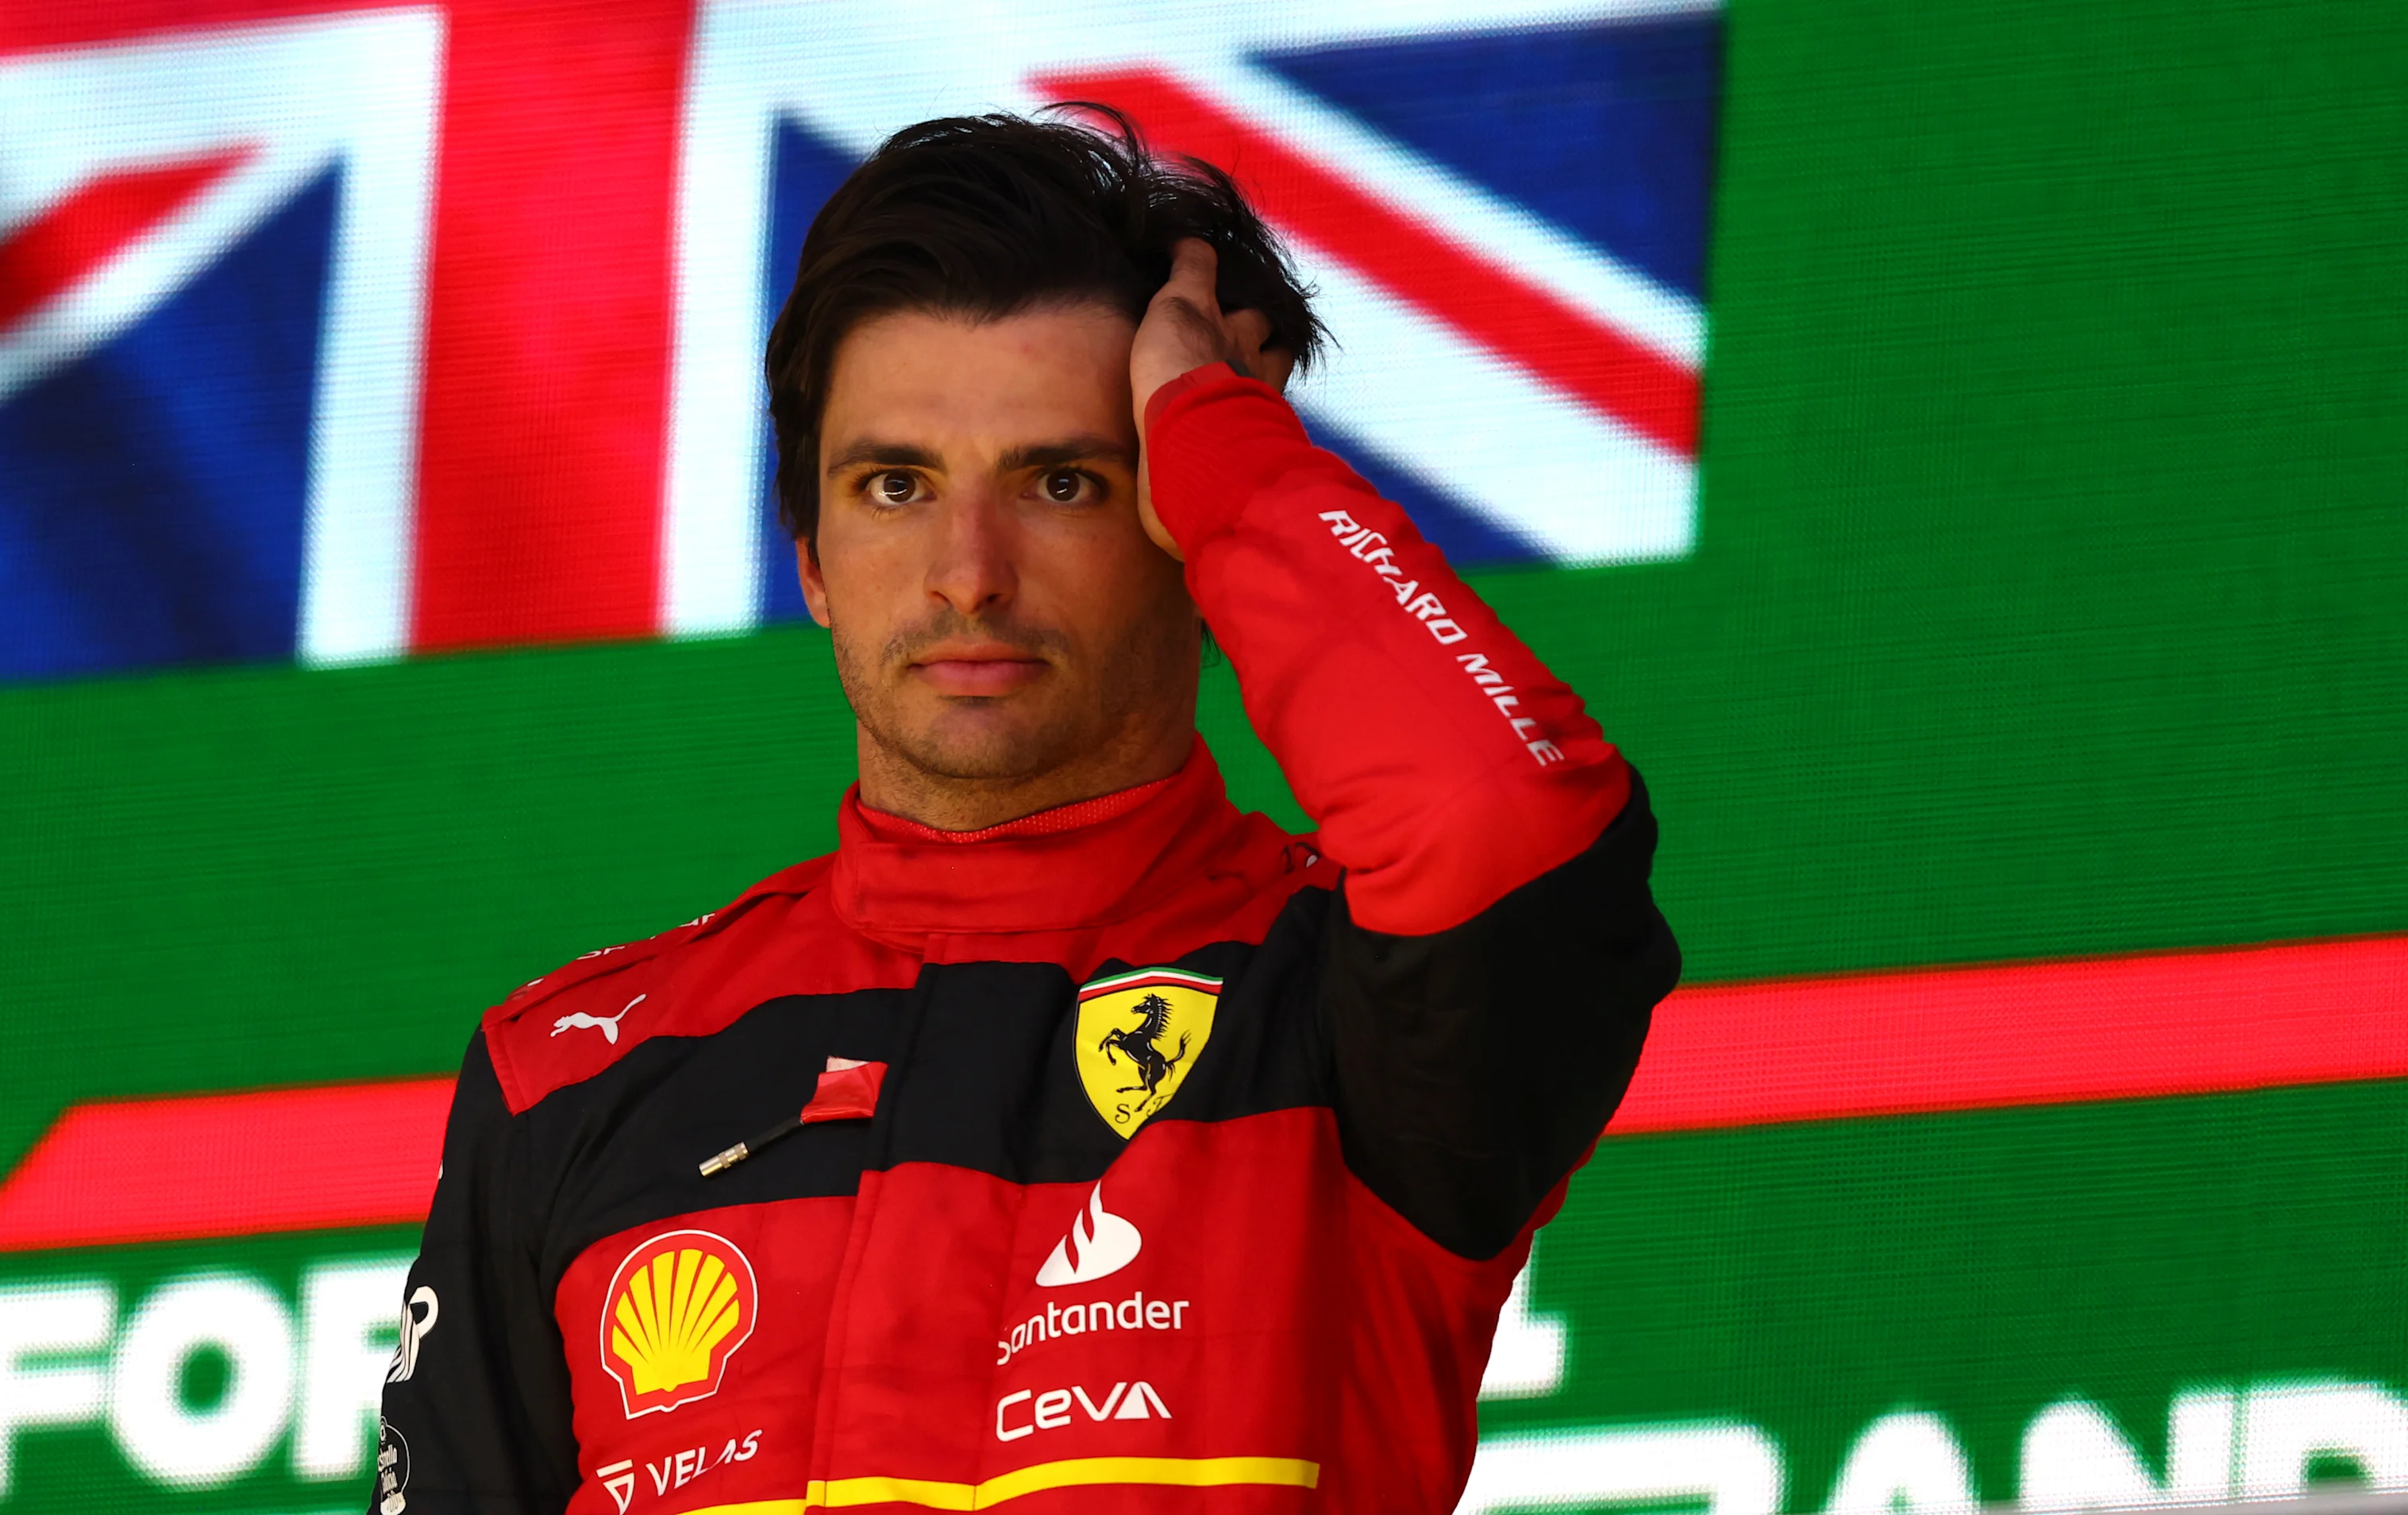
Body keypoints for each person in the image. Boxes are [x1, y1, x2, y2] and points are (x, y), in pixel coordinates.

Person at [370, 110, 1677, 1515]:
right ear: (810, 558)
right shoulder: (572, 1079)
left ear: (1178, 522)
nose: (967, 574)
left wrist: (1226, 444)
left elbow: (1503, 821)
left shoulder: (1350, 1004)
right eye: (894, 487)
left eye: (1064, 483)